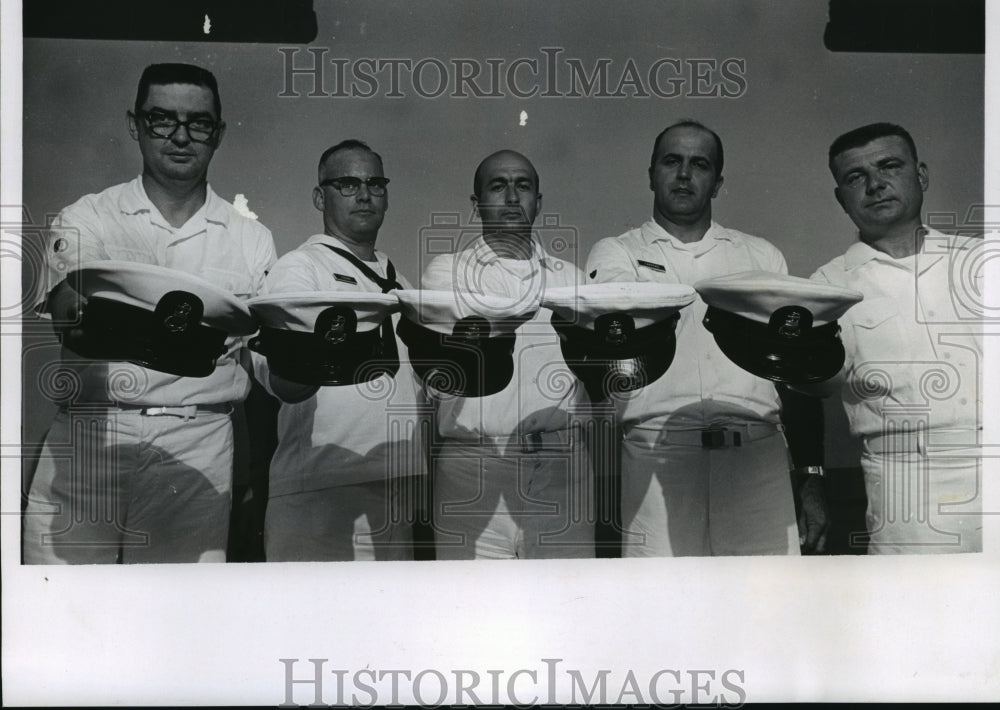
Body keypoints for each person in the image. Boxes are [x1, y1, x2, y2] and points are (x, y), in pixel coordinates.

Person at [23, 62, 276, 563]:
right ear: (134, 125)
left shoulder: (252, 239)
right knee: (64, 611)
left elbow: (268, 365)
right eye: (162, 120)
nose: (180, 136)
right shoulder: (87, 217)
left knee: (180, 619)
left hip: (198, 443)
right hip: (92, 435)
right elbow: (72, 320)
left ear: (219, 133)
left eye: (198, 123)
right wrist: (200, 332)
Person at [586, 119, 826, 556]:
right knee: (664, 612)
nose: (683, 174)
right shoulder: (616, 252)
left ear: (717, 183)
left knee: (765, 610)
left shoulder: (761, 255)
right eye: (671, 161)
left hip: (756, 457)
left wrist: (811, 477)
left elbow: (793, 375)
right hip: (658, 455)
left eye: (699, 164)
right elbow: (619, 315)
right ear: (651, 174)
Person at [807, 122, 981, 553]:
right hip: (909, 488)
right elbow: (814, 387)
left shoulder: (981, 262)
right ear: (840, 197)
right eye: (855, 177)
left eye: (889, 166)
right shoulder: (826, 288)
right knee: (917, 615)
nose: (875, 185)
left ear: (920, 176)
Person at [418, 149, 596, 559]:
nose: (512, 196)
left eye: (523, 185)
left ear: (538, 201)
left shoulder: (573, 279)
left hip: (562, 466)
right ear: (476, 203)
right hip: (473, 469)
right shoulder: (446, 273)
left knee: (566, 611)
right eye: (498, 186)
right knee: (473, 615)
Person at [255, 140, 427, 561]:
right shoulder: (300, 268)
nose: (364, 194)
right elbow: (279, 378)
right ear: (320, 196)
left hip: (396, 482)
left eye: (375, 183)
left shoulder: (400, 281)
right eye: (348, 184)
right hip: (321, 485)